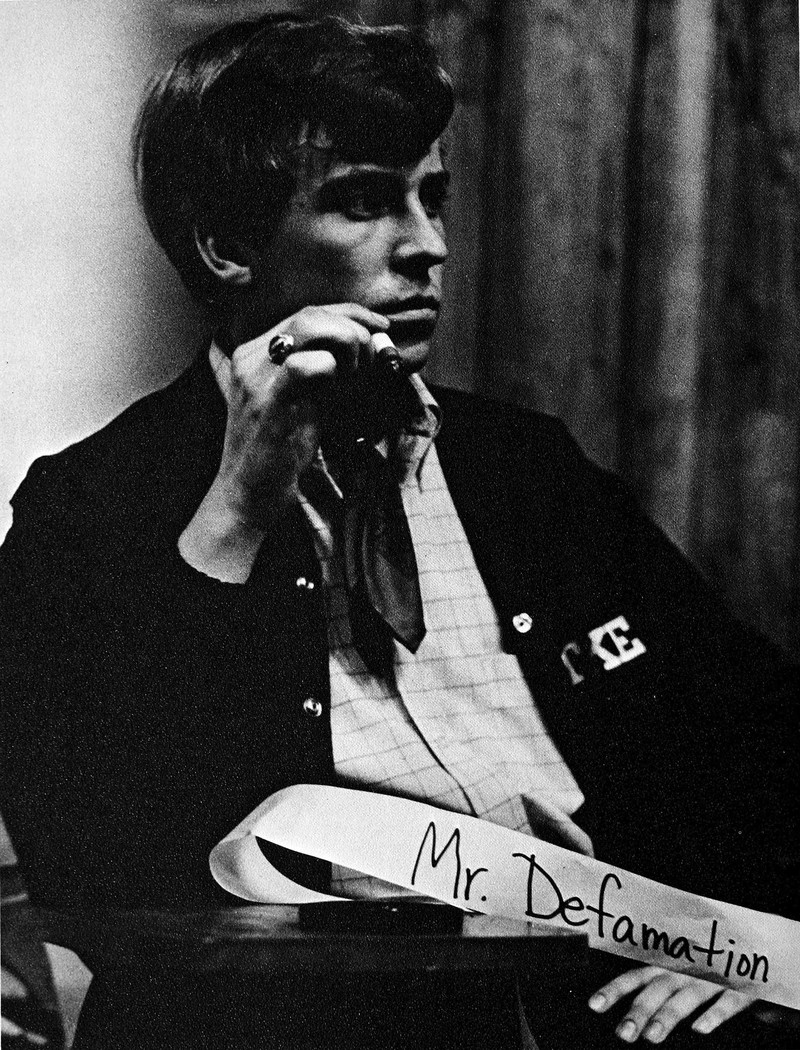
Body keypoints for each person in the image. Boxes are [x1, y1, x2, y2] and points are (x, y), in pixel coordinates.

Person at [1, 13, 797, 1050]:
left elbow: (756, 741)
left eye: (433, 197)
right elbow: (102, 870)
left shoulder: (524, 469)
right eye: (366, 202)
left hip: (602, 1018)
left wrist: (755, 949)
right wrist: (240, 502)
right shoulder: (94, 505)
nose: (429, 246)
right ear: (226, 247)